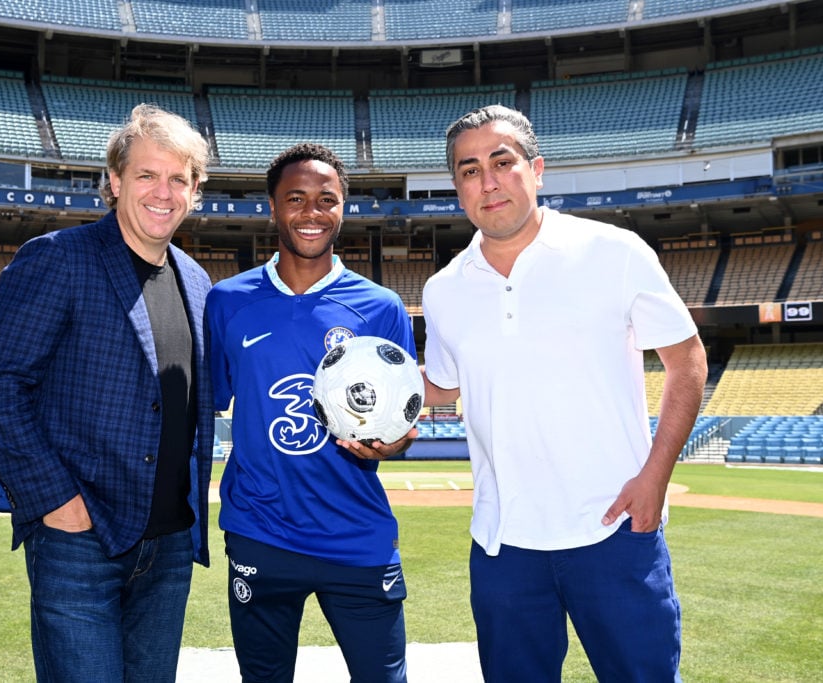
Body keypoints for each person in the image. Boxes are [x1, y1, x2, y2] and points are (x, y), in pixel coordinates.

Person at [420, 104, 707, 682]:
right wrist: (361, 394)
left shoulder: (614, 251)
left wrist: (654, 478)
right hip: (503, 541)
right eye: (470, 170)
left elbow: (688, 361)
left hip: (614, 527)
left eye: (502, 162)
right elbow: (442, 388)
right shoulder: (444, 288)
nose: (489, 181)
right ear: (457, 187)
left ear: (537, 169)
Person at [0, 103, 215, 683]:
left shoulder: (198, 282)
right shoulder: (57, 258)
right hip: (80, 539)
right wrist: (56, 503)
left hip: (171, 542)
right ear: (115, 181)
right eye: (147, 175)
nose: (163, 191)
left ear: (194, 189)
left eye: (179, 178)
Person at [205, 142, 415, 683]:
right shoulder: (227, 301)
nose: (312, 212)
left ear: (343, 208)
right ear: (273, 207)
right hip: (260, 530)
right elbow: (209, 402)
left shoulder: (380, 307)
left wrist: (394, 445)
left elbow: (402, 423)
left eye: (327, 199)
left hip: (356, 532)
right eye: (296, 198)